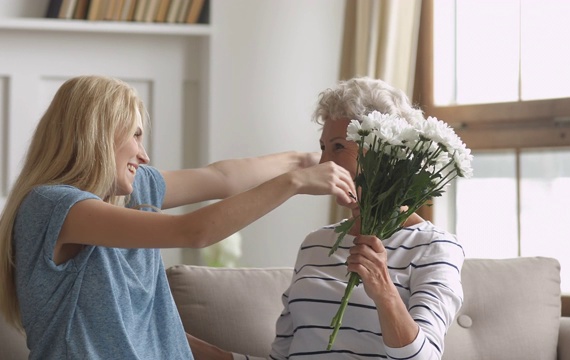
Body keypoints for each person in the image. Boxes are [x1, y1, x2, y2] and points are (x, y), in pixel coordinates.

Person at [0, 75, 357, 359]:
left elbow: (222, 178)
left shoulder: (132, 191)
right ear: (99, 135)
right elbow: (192, 231)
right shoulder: (53, 206)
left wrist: (311, 160)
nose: (144, 155)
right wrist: (294, 182)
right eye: (136, 135)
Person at [204, 77, 465, 360]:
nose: (323, 163)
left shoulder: (435, 248)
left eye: (338, 147)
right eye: (323, 148)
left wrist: (384, 291)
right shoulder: (316, 244)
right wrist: (199, 349)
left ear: (385, 153)